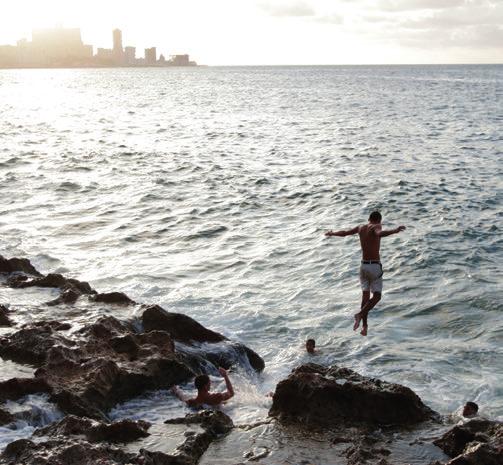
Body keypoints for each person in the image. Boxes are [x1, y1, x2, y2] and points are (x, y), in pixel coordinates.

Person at [325, 211, 406, 336]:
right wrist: (394, 230)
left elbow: (345, 233)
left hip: (363, 266)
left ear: (368, 218)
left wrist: (332, 233)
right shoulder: (376, 227)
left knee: (365, 298)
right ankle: (360, 315)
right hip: (374, 266)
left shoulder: (360, 227)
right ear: (379, 220)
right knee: (377, 296)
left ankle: (364, 326)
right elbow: (379, 234)